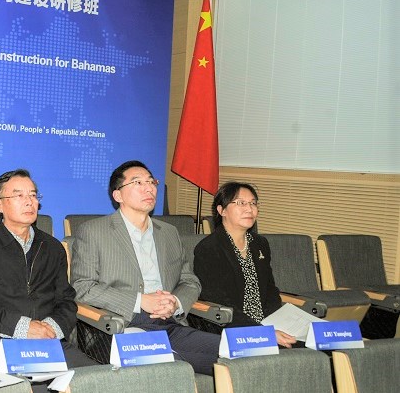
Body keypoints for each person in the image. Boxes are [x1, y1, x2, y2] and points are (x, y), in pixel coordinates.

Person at [70, 160, 220, 375]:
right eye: (138, 182)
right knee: (171, 370)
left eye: (151, 182)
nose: (149, 188)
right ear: (118, 195)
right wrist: (140, 301)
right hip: (120, 326)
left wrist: (175, 302)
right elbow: (82, 287)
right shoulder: (93, 231)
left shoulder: (169, 232)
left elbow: (189, 280)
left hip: (170, 323)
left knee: (238, 354)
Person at [0, 169, 95, 384]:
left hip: (50, 342)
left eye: (33, 195)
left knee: (96, 380)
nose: (29, 201)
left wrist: (51, 328)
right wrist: (23, 327)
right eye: (19, 195)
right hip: (2, 341)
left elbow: (66, 300)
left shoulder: (52, 247)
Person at [193, 182, 296, 347]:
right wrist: (262, 331)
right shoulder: (209, 249)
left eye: (253, 203)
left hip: (266, 323)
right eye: (241, 203)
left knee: (317, 342)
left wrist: (275, 322)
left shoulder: (260, 243)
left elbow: (270, 290)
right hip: (231, 327)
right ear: (222, 210)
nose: (249, 209)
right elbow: (219, 303)